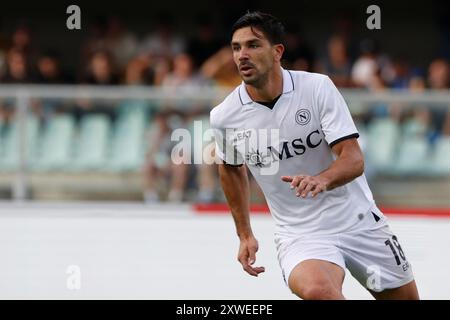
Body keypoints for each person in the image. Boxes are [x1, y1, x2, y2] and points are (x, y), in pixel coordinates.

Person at [210, 11, 419, 300]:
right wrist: (244, 233)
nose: (242, 55)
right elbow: (230, 168)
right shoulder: (224, 116)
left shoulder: (317, 88)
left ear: (277, 52)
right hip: (301, 234)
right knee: (319, 291)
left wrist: (322, 180)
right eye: (236, 47)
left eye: (253, 45)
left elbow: (353, 159)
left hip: (358, 220)